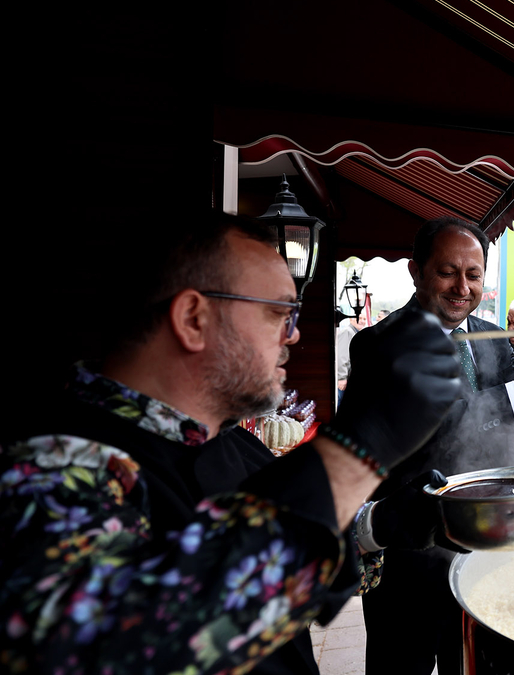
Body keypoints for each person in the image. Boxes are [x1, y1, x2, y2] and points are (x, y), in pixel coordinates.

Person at [0, 212, 461, 675]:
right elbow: (112, 647)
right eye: (278, 312)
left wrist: (378, 524)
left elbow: (272, 577)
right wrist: (356, 449)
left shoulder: (233, 441)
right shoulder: (53, 469)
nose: (293, 334)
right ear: (193, 319)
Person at [362, 216, 514, 675]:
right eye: (447, 272)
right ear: (416, 271)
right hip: (409, 554)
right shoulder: (378, 345)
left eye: (474, 275)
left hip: (482, 552)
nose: (462, 287)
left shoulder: (491, 340)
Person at [335, 311, 367, 407]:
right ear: (351, 319)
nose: (362, 321)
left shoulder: (355, 333)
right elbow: (342, 356)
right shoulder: (347, 332)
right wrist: (342, 378)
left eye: (364, 319)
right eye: (359, 318)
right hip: (343, 380)